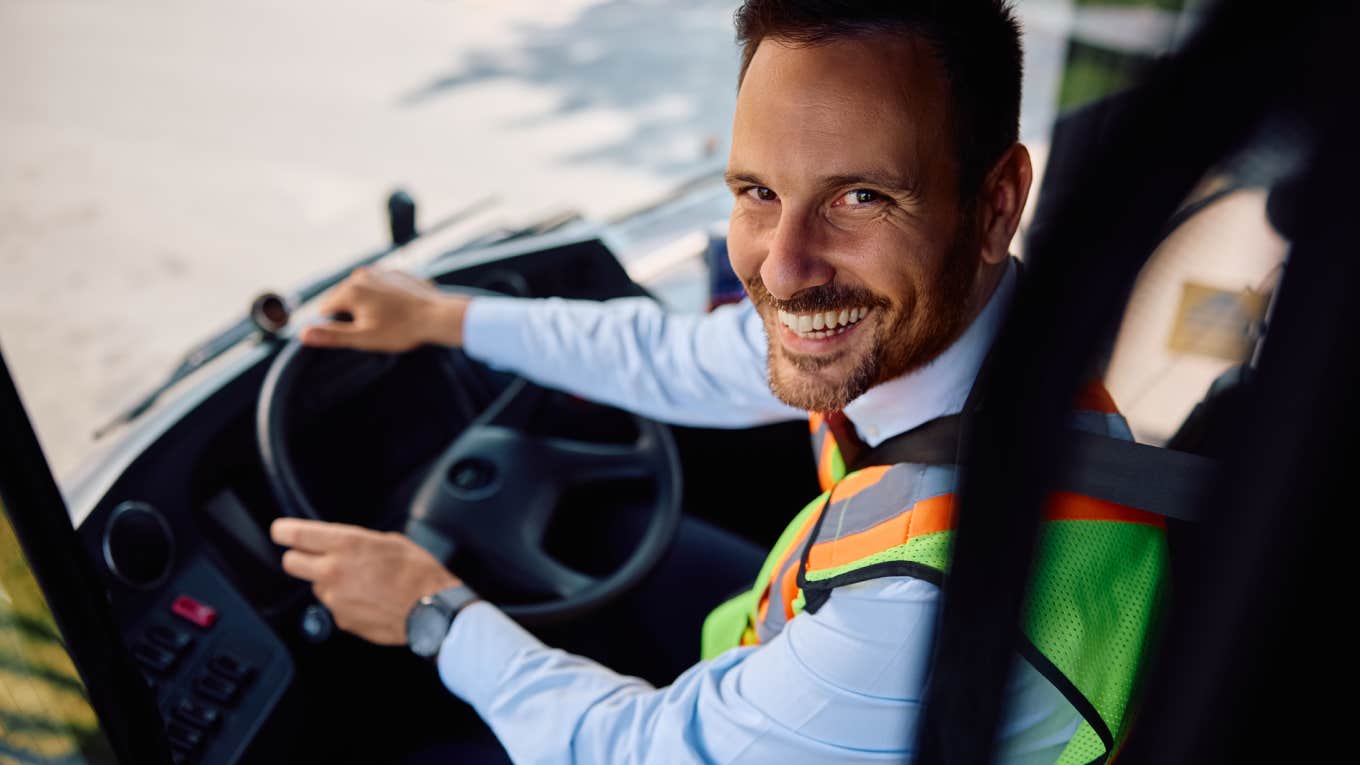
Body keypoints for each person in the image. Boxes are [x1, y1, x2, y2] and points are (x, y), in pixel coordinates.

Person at [270, 2, 1168, 762]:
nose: (782, 270)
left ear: (997, 203)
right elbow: (675, 356)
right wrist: (448, 318)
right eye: (756, 192)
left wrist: (434, 612)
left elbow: (642, 747)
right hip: (774, 641)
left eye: (860, 197)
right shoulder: (964, 340)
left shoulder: (923, 615)